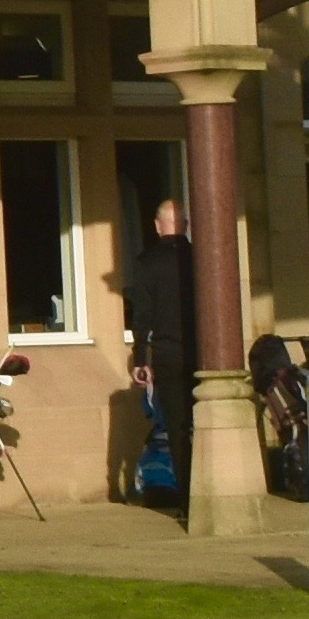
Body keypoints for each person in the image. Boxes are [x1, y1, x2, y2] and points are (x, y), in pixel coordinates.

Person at [121, 194, 200, 497]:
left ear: (157, 226)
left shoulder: (147, 264)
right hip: (202, 354)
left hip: (168, 355)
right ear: (187, 225)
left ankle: (186, 497)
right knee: (202, 424)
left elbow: (143, 317)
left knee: (178, 428)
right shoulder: (201, 259)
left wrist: (141, 359)